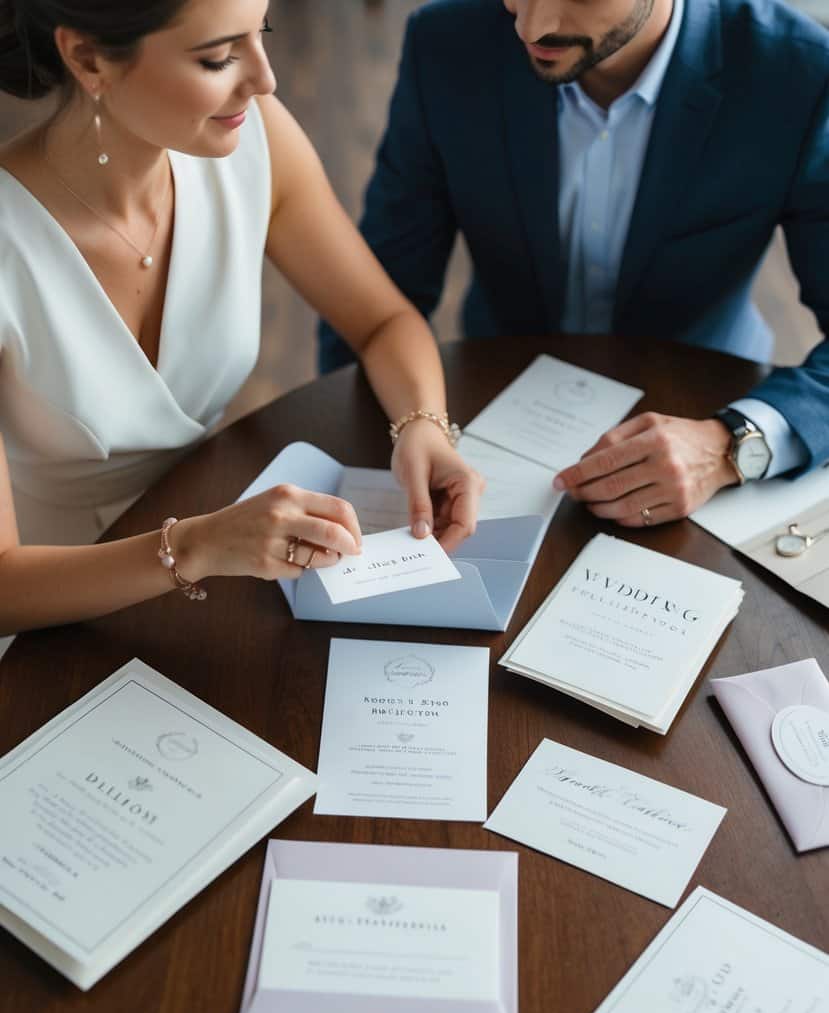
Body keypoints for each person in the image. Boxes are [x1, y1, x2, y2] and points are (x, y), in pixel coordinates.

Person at [0, 0, 483, 638]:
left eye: (265, 32)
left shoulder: (253, 137)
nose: (265, 78)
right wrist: (196, 547)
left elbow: (382, 320)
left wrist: (423, 427)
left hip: (228, 562)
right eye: (219, 56)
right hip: (53, 614)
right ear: (88, 58)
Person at [318, 0, 829, 528]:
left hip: (702, 420)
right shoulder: (445, 43)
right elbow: (374, 297)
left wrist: (730, 444)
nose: (530, 26)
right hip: (478, 423)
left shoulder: (800, 72)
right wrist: (359, 460)